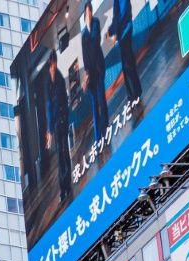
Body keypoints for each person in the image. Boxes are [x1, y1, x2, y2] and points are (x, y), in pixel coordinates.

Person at [43, 54, 73, 204]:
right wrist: (49, 130)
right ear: (49, 65)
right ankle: (63, 189)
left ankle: (68, 183)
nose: (53, 67)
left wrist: (53, 126)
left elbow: (59, 103)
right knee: (60, 155)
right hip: (55, 122)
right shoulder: (47, 83)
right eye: (51, 65)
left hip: (62, 118)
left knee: (65, 151)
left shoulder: (60, 79)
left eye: (54, 64)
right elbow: (49, 106)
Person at [79, 3, 109, 147]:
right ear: (84, 15)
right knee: (94, 106)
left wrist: (90, 26)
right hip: (91, 74)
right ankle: (98, 139)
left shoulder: (96, 23)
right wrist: (86, 75)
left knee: (102, 101)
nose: (89, 14)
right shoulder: (83, 35)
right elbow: (85, 56)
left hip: (98, 70)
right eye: (87, 12)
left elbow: (96, 42)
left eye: (90, 11)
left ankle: (106, 131)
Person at [107, 0, 142, 111]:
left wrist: (112, 31)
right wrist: (112, 31)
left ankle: (135, 94)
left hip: (125, 32)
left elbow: (121, 15)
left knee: (129, 66)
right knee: (127, 67)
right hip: (123, 34)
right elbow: (117, 17)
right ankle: (133, 94)